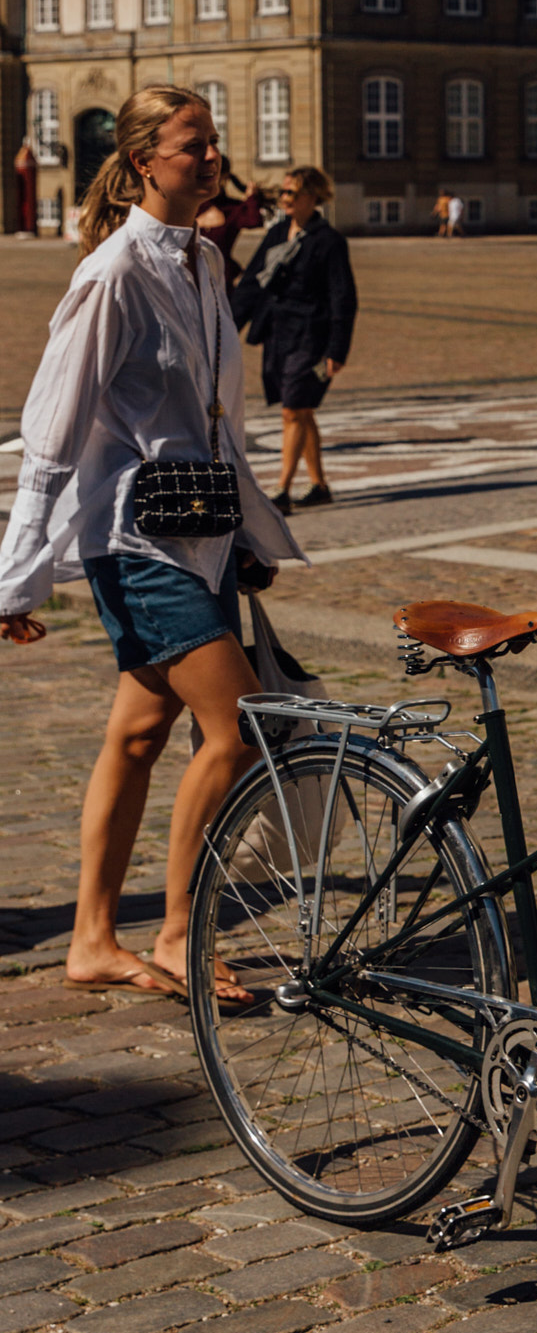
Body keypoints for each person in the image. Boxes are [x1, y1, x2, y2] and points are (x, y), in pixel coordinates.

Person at [0, 85, 301, 1000]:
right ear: (143, 163)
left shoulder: (206, 262)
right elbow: (51, 434)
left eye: (213, 141)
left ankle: (91, 941)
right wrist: (15, 583)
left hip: (202, 534)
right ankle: (177, 933)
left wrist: (250, 533)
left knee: (137, 736)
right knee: (240, 730)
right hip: (135, 539)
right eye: (191, 145)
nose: (211, 158)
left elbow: (221, 423)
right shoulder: (112, 274)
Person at [232, 166, 357, 517]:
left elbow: (342, 298)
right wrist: (226, 325)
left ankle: (282, 489)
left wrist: (337, 349)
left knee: (293, 410)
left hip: (312, 337)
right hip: (278, 333)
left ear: (312, 197)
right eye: (284, 192)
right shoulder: (277, 235)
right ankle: (319, 486)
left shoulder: (329, 241)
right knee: (301, 410)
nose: (285, 199)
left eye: (292, 193)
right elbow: (253, 285)